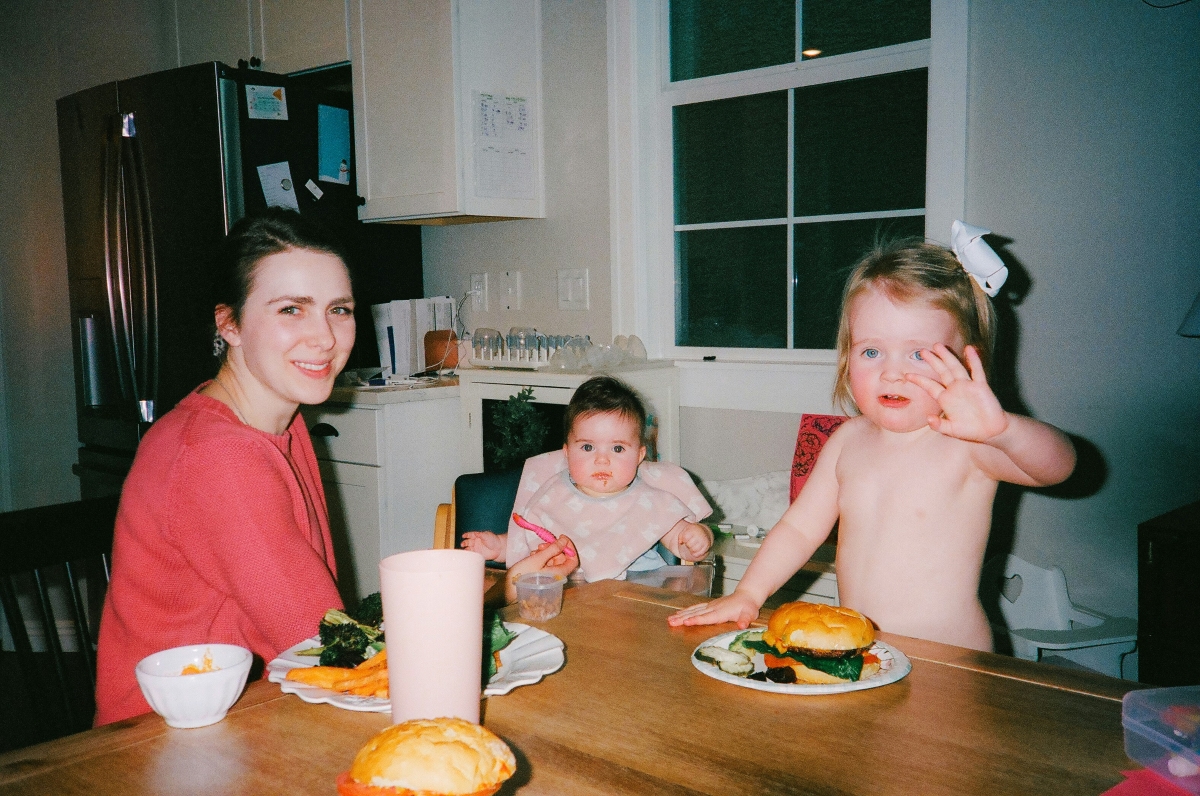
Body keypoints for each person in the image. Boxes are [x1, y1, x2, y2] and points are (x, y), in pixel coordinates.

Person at [668, 234, 1077, 651]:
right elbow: (798, 528)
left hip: (948, 656)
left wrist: (1003, 430)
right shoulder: (848, 440)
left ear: (965, 362)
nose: (892, 373)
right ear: (846, 357)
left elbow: (1059, 467)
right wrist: (748, 595)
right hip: (862, 650)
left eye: (918, 354)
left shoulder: (968, 444)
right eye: (871, 352)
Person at [94, 207, 355, 725]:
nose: (324, 337)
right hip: (165, 746)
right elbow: (331, 651)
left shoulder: (281, 425)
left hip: (252, 716)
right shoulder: (218, 457)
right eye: (291, 310)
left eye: (339, 309)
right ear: (229, 324)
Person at [462, 376, 714, 602]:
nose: (601, 460)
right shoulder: (553, 496)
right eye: (587, 448)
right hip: (570, 597)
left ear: (639, 455)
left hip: (634, 597)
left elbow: (678, 538)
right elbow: (533, 542)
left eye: (617, 449)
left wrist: (698, 536)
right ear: (567, 452)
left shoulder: (649, 498)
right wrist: (499, 547)